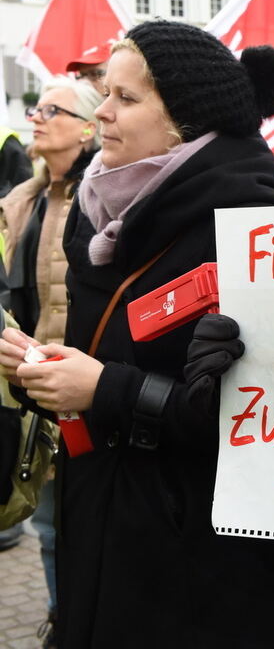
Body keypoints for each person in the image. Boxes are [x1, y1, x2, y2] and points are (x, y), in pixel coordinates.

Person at [0, 21, 274, 649]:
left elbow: (269, 426)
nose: (104, 114)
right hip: (101, 522)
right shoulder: (103, 217)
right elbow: (104, 364)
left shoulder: (255, 230)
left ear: (183, 118)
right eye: (106, 94)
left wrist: (106, 389)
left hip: (202, 563)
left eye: (127, 98)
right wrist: (44, 370)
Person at [0, 75, 102, 646]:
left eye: (52, 109)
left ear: (86, 127)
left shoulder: (100, 197)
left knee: (82, 520)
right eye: (36, 107)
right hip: (31, 388)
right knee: (44, 523)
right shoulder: (22, 201)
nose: (35, 117)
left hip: (84, 388)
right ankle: (63, 620)